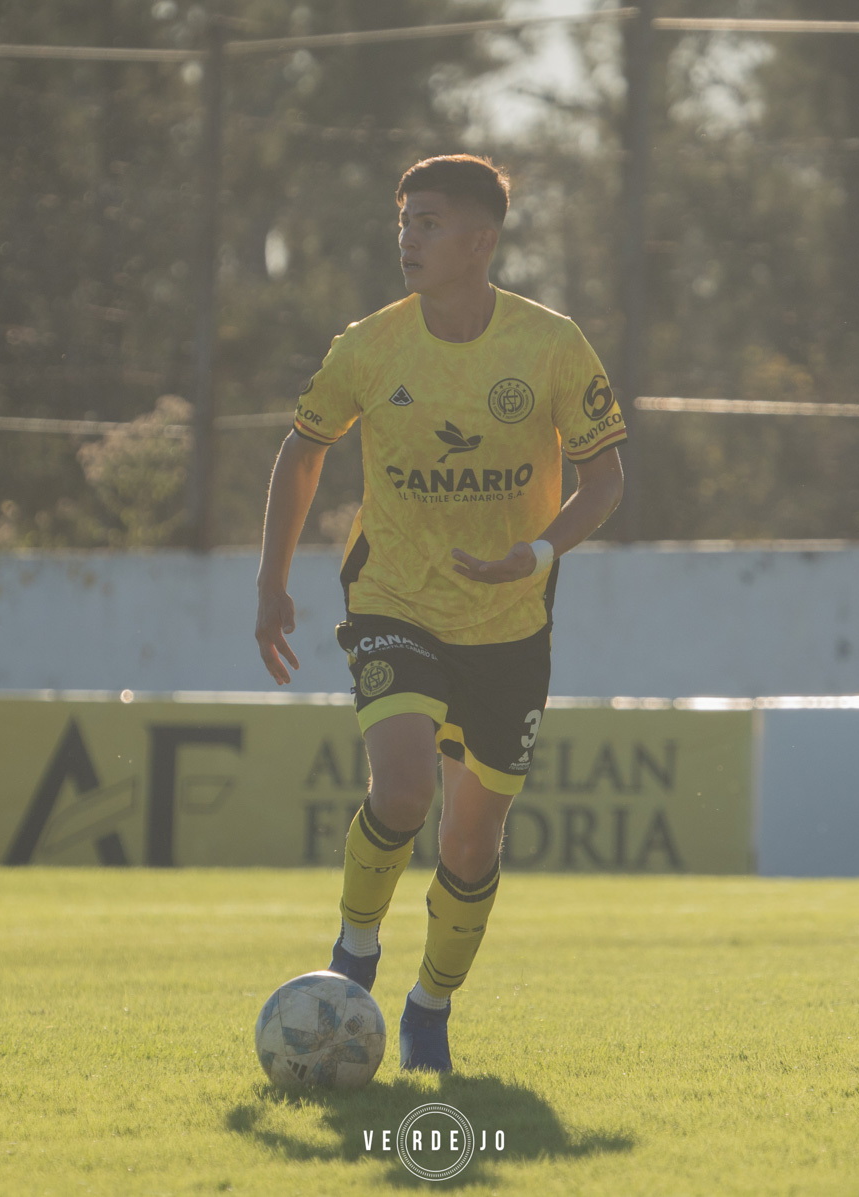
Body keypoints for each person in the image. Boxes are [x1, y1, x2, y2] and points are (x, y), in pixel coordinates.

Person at [253, 154, 627, 1072]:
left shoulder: (550, 345)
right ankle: (354, 948)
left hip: (509, 620)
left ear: (480, 242)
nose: (406, 239)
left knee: (470, 837)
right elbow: (301, 454)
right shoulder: (369, 346)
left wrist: (532, 556)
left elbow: (606, 477)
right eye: (403, 221)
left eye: (426, 223)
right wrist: (272, 583)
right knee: (405, 787)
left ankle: (429, 1008)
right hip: (393, 598)